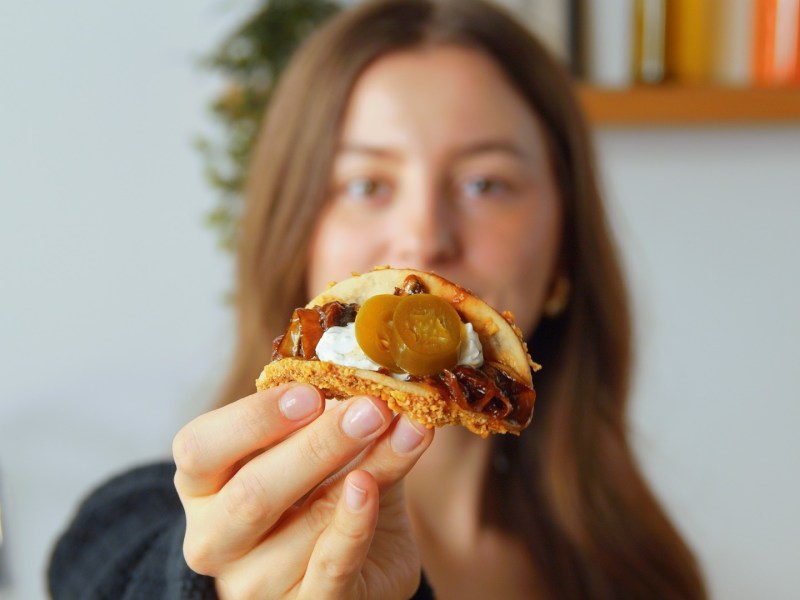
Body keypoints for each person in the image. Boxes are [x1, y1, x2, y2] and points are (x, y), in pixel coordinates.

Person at [49, 0, 708, 598]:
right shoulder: (138, 521)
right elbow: (105, 568)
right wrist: (205, 585)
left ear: (565, 248)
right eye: (366, 185)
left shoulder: (636, 569)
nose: (423, 239)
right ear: (296, 240)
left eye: (485, 184)